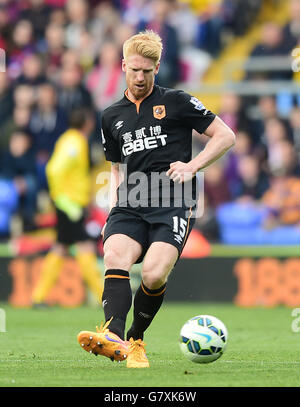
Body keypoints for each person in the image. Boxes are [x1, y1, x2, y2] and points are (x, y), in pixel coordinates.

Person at [77, 30, 235, 368]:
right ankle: (113, 336)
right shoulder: (110, 116)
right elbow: (117, 166)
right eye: (134, 70)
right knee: (114, 253)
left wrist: (193, 166)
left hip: (173, 201)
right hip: (131, 203)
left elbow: (226, 135)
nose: (139, 77)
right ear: (123, 66)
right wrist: (115, 201)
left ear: (157, 68)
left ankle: (136, 338)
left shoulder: (177, 101)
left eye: (146, 72)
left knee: (153, 275)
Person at [32, 108, 103, 307]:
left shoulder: (71, 139)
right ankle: (103, 298)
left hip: (70, 203)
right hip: (70, 205)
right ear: (86, 122)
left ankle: (38, 297)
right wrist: (61, 196)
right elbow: (54, 169)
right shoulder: (74, 142)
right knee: (84, 245)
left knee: (61, 247)